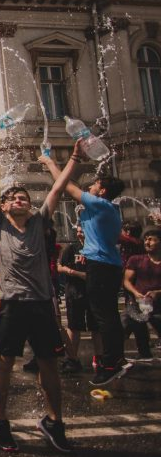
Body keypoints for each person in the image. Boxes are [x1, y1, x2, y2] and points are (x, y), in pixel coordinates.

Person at [0, 130, 74, 453]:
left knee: (49, 363)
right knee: (4, 362)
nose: (20, 200)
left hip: (41, 303)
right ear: (5, 206)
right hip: (10, 304)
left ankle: (54, 421)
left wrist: (75, 157)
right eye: (15, 198)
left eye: (24, 198)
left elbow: (58, 188)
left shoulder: (39, 223)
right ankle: (1, 421)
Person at [41, 146, 127, 385]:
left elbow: (65, 186)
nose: (91, 186)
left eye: (95, 184)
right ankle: (115, 359)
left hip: (102, 266)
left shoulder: (100, 204)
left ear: (103, 190)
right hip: (103, 264)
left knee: (104, 315)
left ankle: (110, 363)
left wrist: (49, 162)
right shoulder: (106, 208)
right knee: (107, 314)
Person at [57, 227, 99, 372]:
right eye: (79, 231)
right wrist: (76, 273)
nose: (80, 233)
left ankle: (99, 357)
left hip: (93, 291)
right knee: (74, 326)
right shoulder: (71, 248)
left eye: (83, 231)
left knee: (96, 326)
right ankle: (72, 358)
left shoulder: (97, 247)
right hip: (75, 292)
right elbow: (60, 267)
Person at [122, 228, 161, 358]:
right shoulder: (136, 260)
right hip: (139, 303)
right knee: (124, 324)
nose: (147, 242)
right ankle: (141, 353)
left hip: (159, 305)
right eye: (145, 239)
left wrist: (157, 293)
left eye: (151, 239)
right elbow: (127, 281)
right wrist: (135, 292)